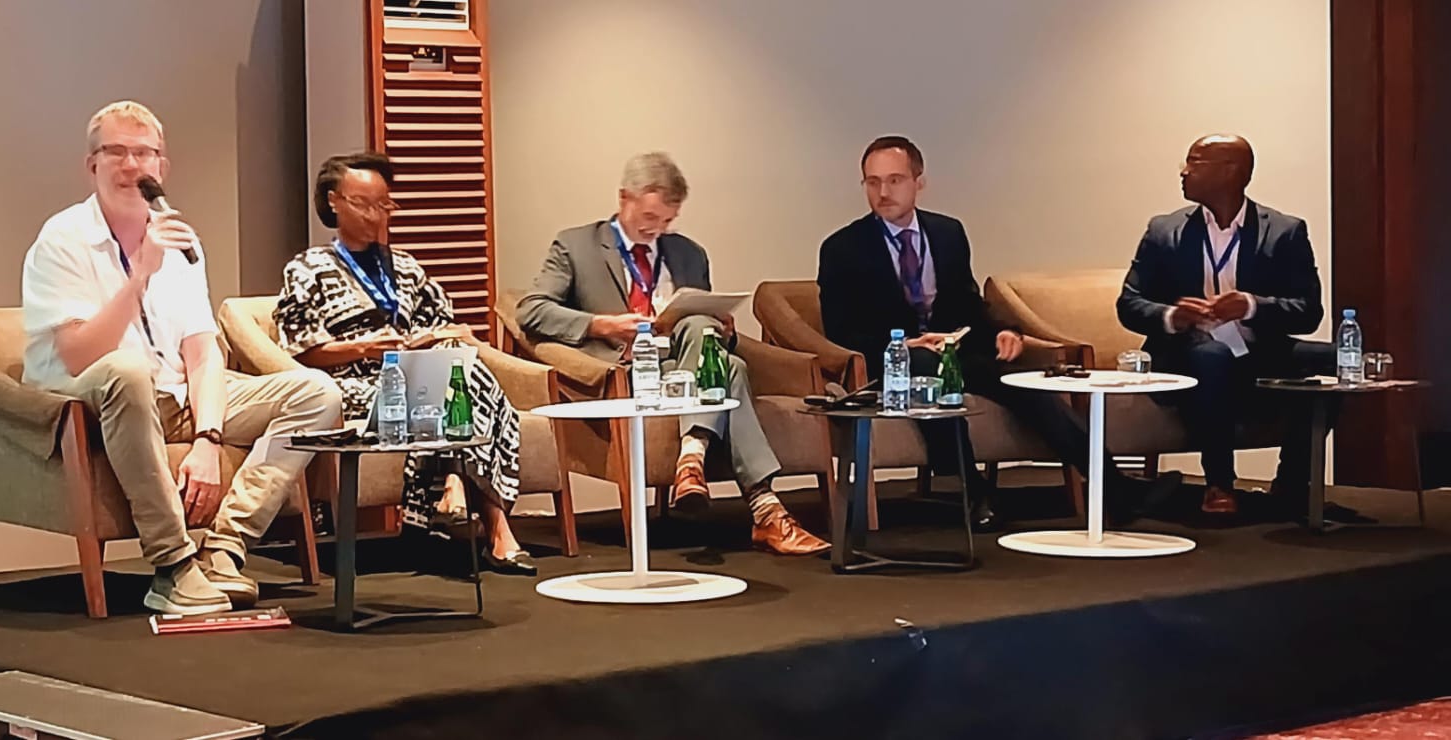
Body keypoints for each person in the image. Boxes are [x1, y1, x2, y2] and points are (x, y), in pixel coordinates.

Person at [21, 101, 344, 615]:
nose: (131, 165)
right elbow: (81, 354)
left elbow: (202, 351)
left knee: (317, 393)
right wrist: (140, 274)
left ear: (162, 167)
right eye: (116, 152)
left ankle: (225, 547)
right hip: (87, 393)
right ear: (92, 165)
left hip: (170, 393)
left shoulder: (180, 240)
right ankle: (171, 565)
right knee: (128, 370)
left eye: (144, 153)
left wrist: (207, 439)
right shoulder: (62, 239)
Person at [818, 135, 1177, 531]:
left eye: (895, 180)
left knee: (1026, 383)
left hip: (953, 352)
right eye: (872, 182)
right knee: (925, 369)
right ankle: (973, 493)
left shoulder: (947, 233)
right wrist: (903, 343)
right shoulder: (842, 248)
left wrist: (1006, 330)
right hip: (892, 362)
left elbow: (969, 303)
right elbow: (839, 330)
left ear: (919, 182)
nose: (883, 192)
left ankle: (1115, 487)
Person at [517, 152, 829, 555]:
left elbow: (702, 327)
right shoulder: (576, 246)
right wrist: (602, 325)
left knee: (707, 336)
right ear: (624, 198)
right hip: (626, 370)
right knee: (730, 369)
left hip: (684, 363)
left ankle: (696, 465)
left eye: (667, 221)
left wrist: (722, 329)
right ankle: (762, 508)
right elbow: (532, 310)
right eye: (649, 217)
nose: (656, 229)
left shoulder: (688, 253)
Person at [273, 152, 535, 575]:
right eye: (363, 204)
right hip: (353, 383)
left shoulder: (407, 268)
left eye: (384, 205)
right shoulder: (308, 268)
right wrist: (365, 348)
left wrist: (439, 337)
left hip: (420, 374)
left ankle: (458, 488)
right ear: (333, 201)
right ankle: (490, 522)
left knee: (458, 371)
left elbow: (445, 323)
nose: (375, 215)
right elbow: (299, 349)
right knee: (456, 385)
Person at [1118, 134, 1342, 519]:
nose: (1183, 171)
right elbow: (1129, 304)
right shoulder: (1164, 230)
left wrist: (1251, 306)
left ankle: (1292, 481)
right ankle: (1219, 484)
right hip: (1186, 354)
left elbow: (1308, 312)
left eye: (1194, 162)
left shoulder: (1285, 231)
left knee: (1340, 359)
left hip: (1258, 352)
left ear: (1230, 172)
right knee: (1213, 356)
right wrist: (1173, 316)